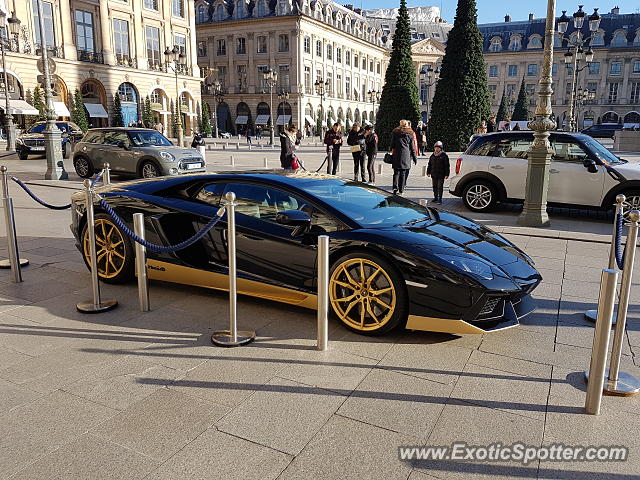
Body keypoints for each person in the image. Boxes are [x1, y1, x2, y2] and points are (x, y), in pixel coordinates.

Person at [389, 119, 418, 195]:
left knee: (396, 173)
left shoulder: (395, 132)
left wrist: (390, 150)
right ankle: (401, 190)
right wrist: (415, 157)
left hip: (397, 154)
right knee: (403, 173)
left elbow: (392, 144)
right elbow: (412, 147)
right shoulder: (410, 133)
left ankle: (395, 188)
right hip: (406, 155)